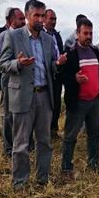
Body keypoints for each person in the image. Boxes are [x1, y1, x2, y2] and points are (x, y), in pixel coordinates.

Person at [0, 0, 67, 189]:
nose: (40, 19)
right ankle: (20, 182)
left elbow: (49, 65)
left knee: (44, 141)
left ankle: (42, 178)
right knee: (20, 144)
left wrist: (58, 64)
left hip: (44, 95)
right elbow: (3, 64)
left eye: (42, 15)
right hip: (23, 96)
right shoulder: (13, 37)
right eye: (36, 15)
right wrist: (18, 64)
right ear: (27, 16)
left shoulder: (47, 39)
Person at [59, 18, 99, 173]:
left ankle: (93, 164)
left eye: (91, 33)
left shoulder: (95, 51)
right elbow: (62, 76)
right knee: (71, 136)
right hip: (78, 102)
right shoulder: (71, 54)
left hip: (94, 101)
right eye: (85, 33)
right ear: (77, 33)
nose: (89, 36)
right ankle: (66, 168)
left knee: (95, 134)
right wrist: (74, 79)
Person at [0, 8, 26, 157]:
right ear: (10, 21)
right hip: (8, 79)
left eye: (24, 19)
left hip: (22, 80)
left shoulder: (24, 36)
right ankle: (8, 148)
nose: (23, 22)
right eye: (20, 19)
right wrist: (17, 62)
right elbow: (0, 62)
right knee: (8, 114)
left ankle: (22, 144)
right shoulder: (4, 36)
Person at [43, 9, 64, 137]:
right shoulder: (40, 35)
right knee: (46, 105)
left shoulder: (56, 34)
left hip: (58, 74)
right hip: (47, 75)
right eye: (51, 19)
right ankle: (45, 132)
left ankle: (53, 130)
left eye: (55, 19)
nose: (53, 21)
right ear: (44, 19)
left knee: (56, 103)